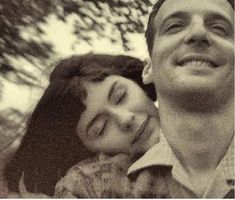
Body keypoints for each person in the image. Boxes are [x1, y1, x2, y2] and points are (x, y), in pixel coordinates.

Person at [5, 53, 161, 197]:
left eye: (120, 96)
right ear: (88, 149)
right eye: (100, 128)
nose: (125, 119)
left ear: (140, 84)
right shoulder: (84, 187)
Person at [128, 0, 234, 198]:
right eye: (175, 26)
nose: (198, 33)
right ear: (148, 69)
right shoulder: (90, 188)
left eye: (219, 28)